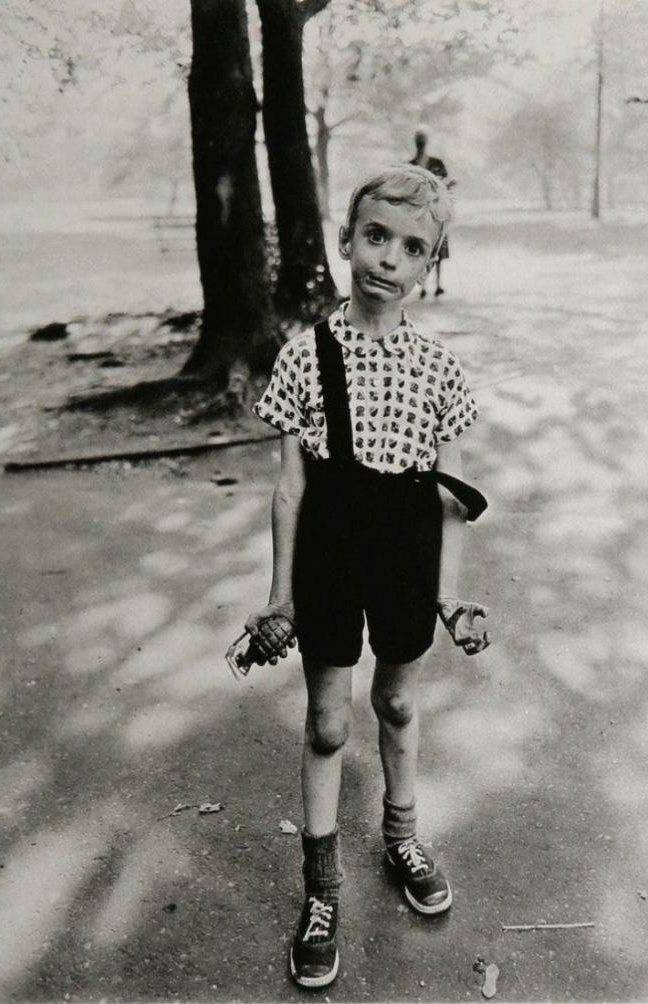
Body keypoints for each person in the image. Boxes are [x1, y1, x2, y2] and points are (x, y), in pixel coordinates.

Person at [229, 164, 492, 990]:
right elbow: (289, 488)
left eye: (412, 247)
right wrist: (281, 595)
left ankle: (402, 836)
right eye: (375, 236)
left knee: (401, 702)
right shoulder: (306, 354)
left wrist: (449, 595)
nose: (388, 258)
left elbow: (453, 498)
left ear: (429, 266)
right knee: (329, 723)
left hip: (408, 555)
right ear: (348, 240)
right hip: (331, 556)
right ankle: (321, 888)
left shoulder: (441, 372)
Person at [409, 129, 455, 297]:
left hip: (436, 211)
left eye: (422, 140)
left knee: (438, 249)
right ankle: (423, 286)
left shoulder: (436, 163)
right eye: (418, 140)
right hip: (419, 213)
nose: (420, 144)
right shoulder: (410, 165)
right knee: (422, 249)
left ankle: (438, 284)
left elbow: (447, 183)